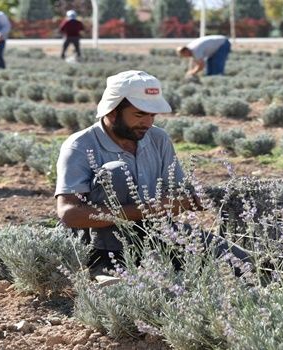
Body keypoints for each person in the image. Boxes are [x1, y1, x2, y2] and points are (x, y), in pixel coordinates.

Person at [55, 70, 250, 280]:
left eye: (152, 115)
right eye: (139, 114)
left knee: (243, 264)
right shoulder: (79, 146)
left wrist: (197, 199)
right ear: (112, 112)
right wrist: (150, 209)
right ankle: (104, 267)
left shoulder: (158, 138)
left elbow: (176, 192)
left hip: (152, 231)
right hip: (95, 241)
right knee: (115, 172)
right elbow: (69, 214)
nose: (147, 123)